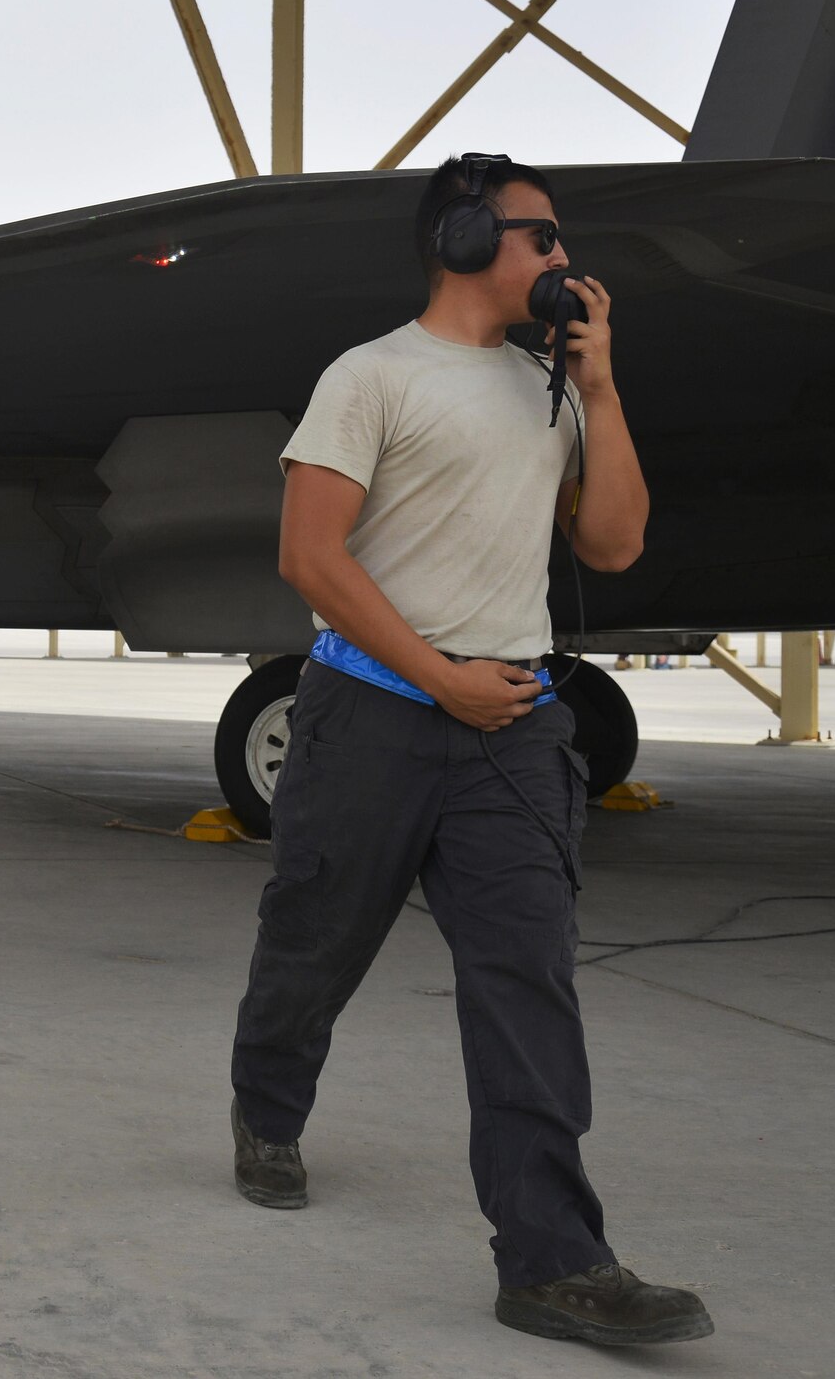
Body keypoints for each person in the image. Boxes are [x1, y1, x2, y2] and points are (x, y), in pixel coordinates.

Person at [228, 154, 712, 1345]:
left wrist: (598, 393)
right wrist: (432, 674)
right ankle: (265, 1109)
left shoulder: (545, 391)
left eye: (559, 239)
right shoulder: (369, 378)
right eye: (537, 237)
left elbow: (611, 547)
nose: (560, 257)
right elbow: (311, 558)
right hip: (369, 718)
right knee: (313, 939)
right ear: (456, 240)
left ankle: (554, 1262)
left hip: (509, 732)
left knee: (524, 985)